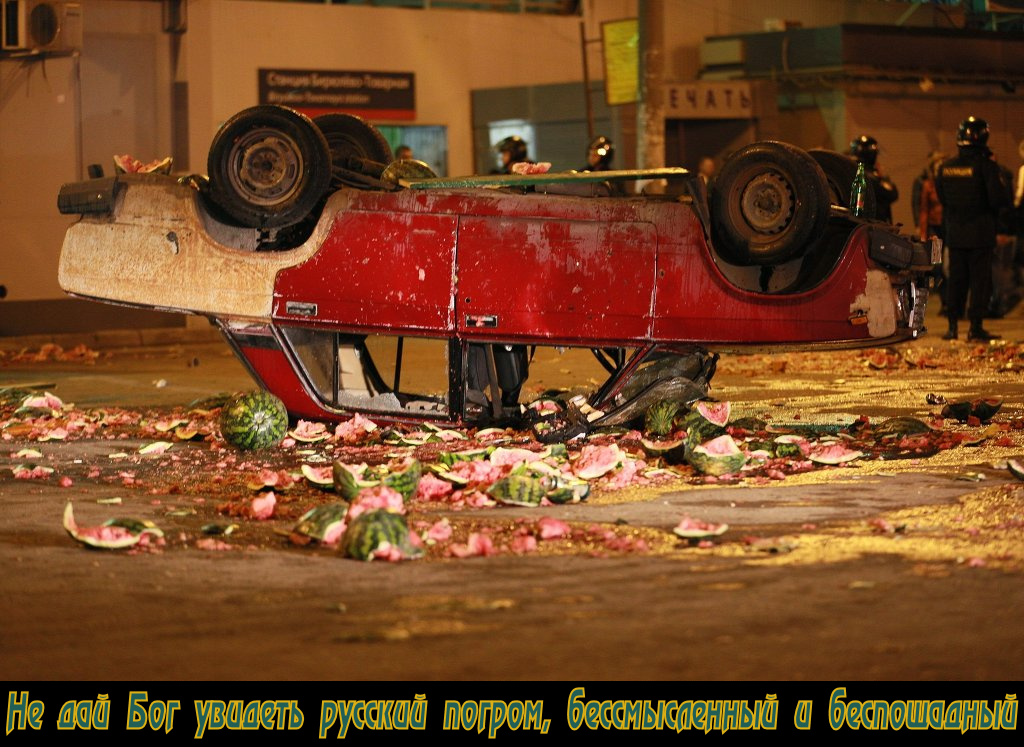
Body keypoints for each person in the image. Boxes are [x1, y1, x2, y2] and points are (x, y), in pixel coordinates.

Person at [935, 116, 1009, 341]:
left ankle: (952, 327)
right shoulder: (987, 167)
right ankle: (975, 328)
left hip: (955, 234)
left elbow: (943, 199)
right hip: (980, 235)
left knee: (956, 281)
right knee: (979, 283)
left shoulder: (945, 168)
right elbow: (998, 199)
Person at [918, 152, 947, 311]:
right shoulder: (928, 185)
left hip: (948, 228)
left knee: (949, 265)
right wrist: (923, 232)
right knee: (937, 264)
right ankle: (944, 300)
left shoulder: (949, 184)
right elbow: (924, 209)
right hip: (934, 229)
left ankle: (949, 300)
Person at [850, 135, 898, 222]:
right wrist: (882, 177)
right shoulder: (868, 176)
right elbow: (892, 193)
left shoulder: (850, 171)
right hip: (872, 224)